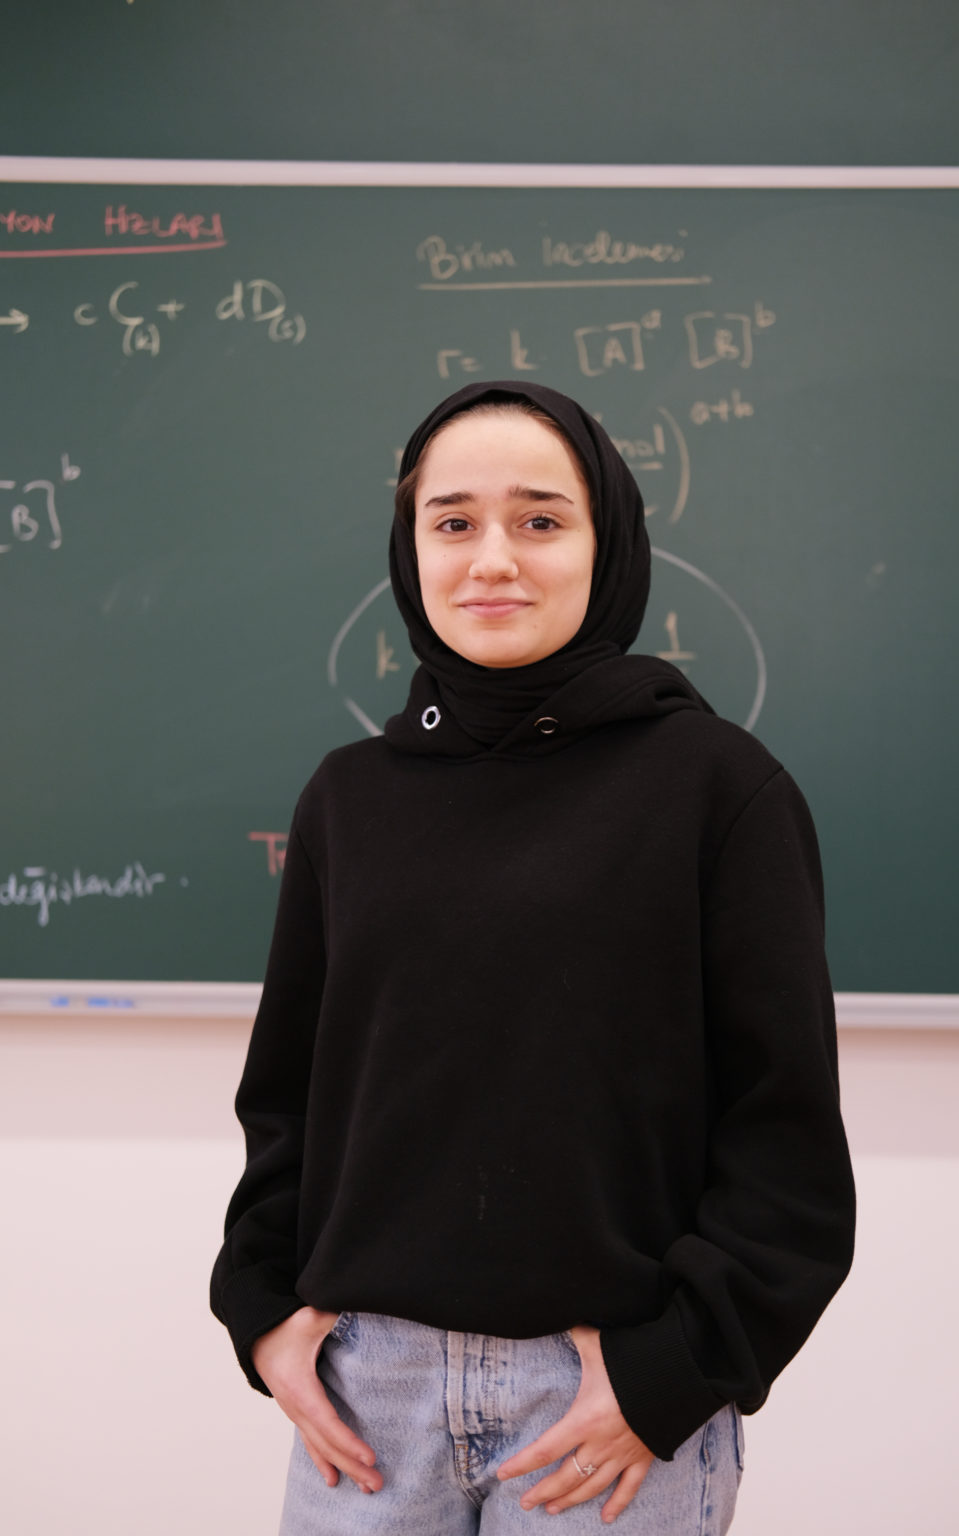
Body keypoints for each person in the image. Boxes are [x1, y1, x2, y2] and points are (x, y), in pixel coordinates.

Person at [211, 380, 855, 1533]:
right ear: (410, 550)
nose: (492, 558)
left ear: (607, 544)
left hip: (605, 1402)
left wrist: (676, 1369)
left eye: (541, 519)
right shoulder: (348, 799)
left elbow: (784, 1133)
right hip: (371, 1396)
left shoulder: (717, 788)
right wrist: (259, 1310)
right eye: (453, 521)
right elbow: (288, 1096)